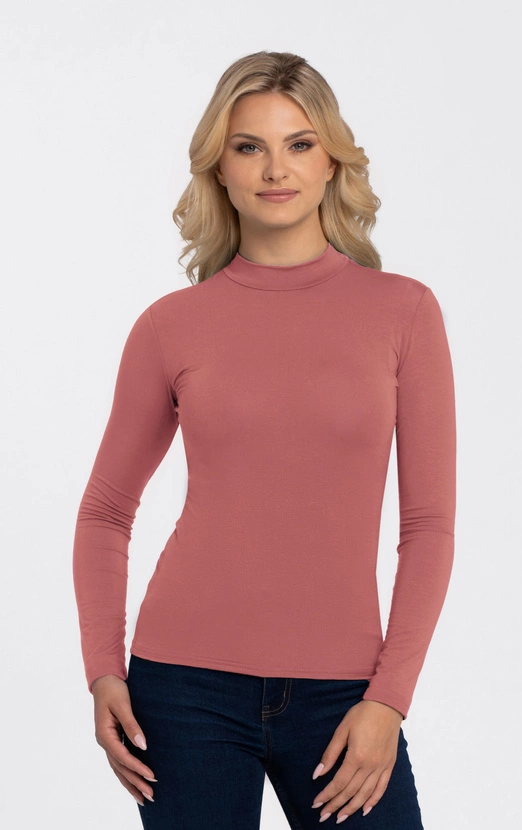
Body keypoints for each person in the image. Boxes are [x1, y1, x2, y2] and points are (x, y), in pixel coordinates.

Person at [73, 50, 456, 829]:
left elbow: (427, 527)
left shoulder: (404, 313)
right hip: (182, 687)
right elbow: (106, 512)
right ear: (218, 167)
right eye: (248, 146)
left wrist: (388, 698)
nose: (275, 169)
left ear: (331, 160)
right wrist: (103, 671)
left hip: (345, 692)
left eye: (298, 143)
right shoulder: (170, 326)